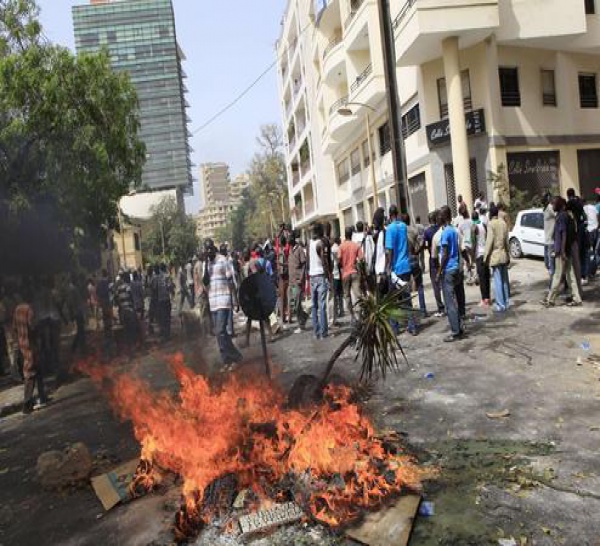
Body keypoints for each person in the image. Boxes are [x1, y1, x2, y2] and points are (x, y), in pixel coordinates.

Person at [204, 241, 243, 364]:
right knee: (219, 333)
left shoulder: (222, 260)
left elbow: (231, 279)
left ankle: (235, 355)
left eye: (210, 249)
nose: (209, 252)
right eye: (206, 250)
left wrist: (235, 300)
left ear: (214, 249)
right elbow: (205, 282)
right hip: (213, 302)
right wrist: (205, 264)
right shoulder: (207, 265)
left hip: (224, 300)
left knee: (220, 331)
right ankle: (227, 359)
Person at [542, 197, 583, 307]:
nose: (552, 206)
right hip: (566, 250)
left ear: (559, 205)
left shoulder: (561, 217)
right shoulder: (565, 215)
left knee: (557, 275)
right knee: (570, 275)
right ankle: (577, 298)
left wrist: (562, 251)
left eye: (554, 204)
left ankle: (550, 299)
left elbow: (563, 233)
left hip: (561, 251)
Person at [13, 289, 48, 414]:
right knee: (31, 373)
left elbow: (14, 328)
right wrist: (39, 331)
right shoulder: (29, 310)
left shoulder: (17, 310)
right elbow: (32, 326)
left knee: (38, 371)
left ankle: (42, 397)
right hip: (32, 345)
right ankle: (27, 404)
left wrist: (18, 341)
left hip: (22, 344)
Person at [385, 205, 417, 336]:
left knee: (393, 300)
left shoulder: (390, 229)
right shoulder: (403, 226)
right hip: (406, 265)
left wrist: (389, 266)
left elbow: (390, 250)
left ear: (389, 214)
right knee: (407, 297)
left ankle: (395, 327)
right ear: (397, 213)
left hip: (396, 268)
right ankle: (412, 326)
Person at [437, 206, 464, 342]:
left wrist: (439, 271)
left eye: (440, 215)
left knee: (450, 303)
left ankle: (455, 331)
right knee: (454, 300)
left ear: (445, 217)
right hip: (455, 268)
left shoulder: (446, 233)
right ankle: (459, 327)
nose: (438, 217)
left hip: (448, 269)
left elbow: (445, 254)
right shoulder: (453, 231)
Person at [485, 204, 511, 312]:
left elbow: (489, 241)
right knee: (505, 280)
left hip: (495, 256)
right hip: (504, 254)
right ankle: (506, 301)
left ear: (491, 214)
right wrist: (508, 253)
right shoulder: (503, 223)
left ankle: (500, 305)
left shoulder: (491, 224)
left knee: (498, 281)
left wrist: (485, 256)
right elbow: (506, 241)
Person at [307, 223, 330, 340]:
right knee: (322, 306)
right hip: (320, 275)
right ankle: (324, 332)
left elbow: (308, 261)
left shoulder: (309, 243)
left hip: (312, 276)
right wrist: (329, 275)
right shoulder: (320, 244)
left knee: (314, 306)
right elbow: (324, 261)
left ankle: (316, 332)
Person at [338, 227, 363, 325]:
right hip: (354, 272)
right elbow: (362, 259)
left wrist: (342, 265)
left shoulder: (341, 246)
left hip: (345, 274)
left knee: (347, 296)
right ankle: (360, 315)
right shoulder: (356, 246)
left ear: (345, 235)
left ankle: (352, 316)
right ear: (351, 235)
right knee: (358, 295)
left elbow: (339, 260)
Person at [405, 214, 427, 317]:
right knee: (419, 286)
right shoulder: (414, 230)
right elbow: (422, 242)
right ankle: (423, 311)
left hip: (405, 261)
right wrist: (417, 252)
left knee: (406, 290)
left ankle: (410, 316)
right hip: (414, 259)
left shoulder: (400, 231)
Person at [424, 211, 445, 317]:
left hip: (433, 259)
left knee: (435, 285)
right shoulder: (440, 229)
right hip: (443, 258)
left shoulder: (427, 232)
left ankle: (440, 307)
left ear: (429, 220)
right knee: (444, 281)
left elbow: (425, 245)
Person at [288, 231, 308, 332]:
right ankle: (304, 316)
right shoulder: (290, 250)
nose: (288, 239)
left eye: (290, 238)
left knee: (297, 303)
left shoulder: (299, 249)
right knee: (293, 303)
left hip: (297, 282)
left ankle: (301, 325)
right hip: (291, 282)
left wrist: (301, 278)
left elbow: (304, 264)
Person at [567, 188, 588, 284]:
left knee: (577, 254)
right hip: (582, 228)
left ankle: (578, 276)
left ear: (568, 195)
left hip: (576, 231)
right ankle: (584, 275)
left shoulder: (569, 203)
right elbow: (584, 216)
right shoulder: (579, 202)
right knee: (583, 253)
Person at [472, 211, 491, 306]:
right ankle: (488, 297)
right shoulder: (483, 225)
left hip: (479, 254)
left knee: (482, 278)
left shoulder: (474, 227)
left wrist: (472, 257)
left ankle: (484, 299)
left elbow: (474, 243)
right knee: (487, 276)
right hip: (485, 253)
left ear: (473, 219)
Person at [66, 273, 87, 357]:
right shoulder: (72, 289)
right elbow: (71, 302)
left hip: (78, 311)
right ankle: (78, 347)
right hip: (77, 312)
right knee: (81, 329)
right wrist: (72, 314)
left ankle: (79, 346)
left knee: (81, 329)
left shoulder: (74, 288)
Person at [543, 194, 557, 288]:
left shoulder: (549, 208)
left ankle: (552, 286)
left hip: (551, 241)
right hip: (548, 241)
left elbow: (557, 216)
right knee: (549, 265)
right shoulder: (547, 208)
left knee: (552, 265)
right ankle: (553, 284)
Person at [583, 197, 598, 278]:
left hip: (589, 231)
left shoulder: (582, 209)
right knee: (595, 252)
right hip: (595, 229)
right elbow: (598, 215)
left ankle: (589, 272)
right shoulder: (593, 207)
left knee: (589, 252)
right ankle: (593, 271)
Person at [330, 236, 344, 325]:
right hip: (337, 273)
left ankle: (339, 310)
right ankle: (341, 310)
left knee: (336, 294)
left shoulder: (333, 248)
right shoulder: (337, 248)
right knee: (339, 294)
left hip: (335, 273)